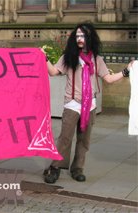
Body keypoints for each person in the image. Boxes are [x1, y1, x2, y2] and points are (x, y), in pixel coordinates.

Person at [43, 23, 133, 184]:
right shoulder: (68, 57)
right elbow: (53, 72)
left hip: (89, 106)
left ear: (89, 38)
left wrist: (126, 71)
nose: (79, 38)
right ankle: (55, 168)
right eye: (77, 35)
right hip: (72, 104)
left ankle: (77, 169)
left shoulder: (97, 60)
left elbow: (109, 79)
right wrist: (44, 58)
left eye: (82, 35)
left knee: (84, 140)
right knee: (65, 138)